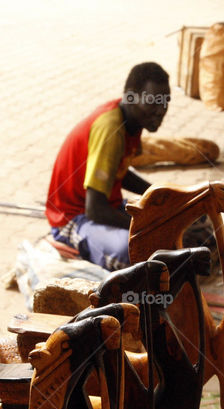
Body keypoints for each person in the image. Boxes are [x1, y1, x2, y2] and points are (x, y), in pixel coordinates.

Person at [44, 62, 171, 271]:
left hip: (106, 205)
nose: (161, 110)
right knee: (131, 251)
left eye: (165, 101)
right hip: (73, 218)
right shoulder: (111, 130)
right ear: (131, 97)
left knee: (176, 219)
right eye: (153, 102)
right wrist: (148, 227)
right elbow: (94, 209)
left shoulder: (133, 120)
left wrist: (160, 195)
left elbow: (118, 172)